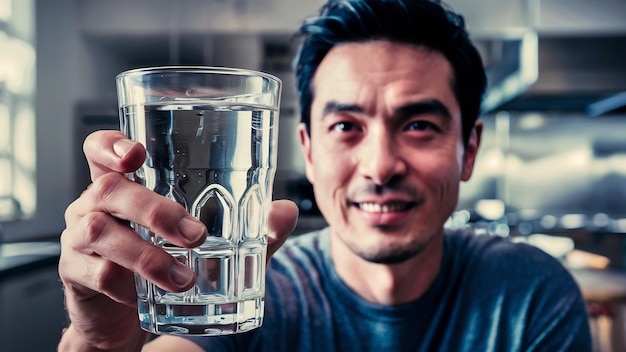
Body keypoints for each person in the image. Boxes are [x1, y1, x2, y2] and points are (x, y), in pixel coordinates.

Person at [58, 0, 592, 351]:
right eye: (345, 125)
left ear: (468, 149)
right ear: (308, 152)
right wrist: (99, 343)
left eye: (421, 124)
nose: (381, 166)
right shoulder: (250, 296)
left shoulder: (531, 294)